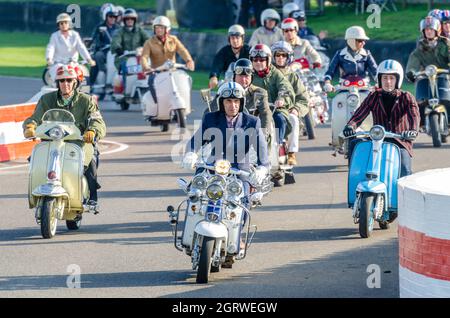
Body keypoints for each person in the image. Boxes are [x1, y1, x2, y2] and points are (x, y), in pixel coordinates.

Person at [182, 82, 270, 264]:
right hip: (213, 165)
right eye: (229, 101)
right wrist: (191, 153)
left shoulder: (252, 122)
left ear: (242, 102)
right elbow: (195, 141)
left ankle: (236, 238)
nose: (233, 105)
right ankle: (191, 231)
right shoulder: (211, 119)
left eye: (237, 101)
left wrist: (262, 168)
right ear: (222, 102)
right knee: (195, 193)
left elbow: (263, 154)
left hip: (240, 170)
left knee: (243, 200)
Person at [23, 65, 106, 212]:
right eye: (62, 80)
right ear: (57, 83)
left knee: (90, 159)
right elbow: (35, 118)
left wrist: (92, 131)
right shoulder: (46, 99)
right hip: (52, 142)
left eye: (69, 80)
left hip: (79, 142)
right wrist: (30, 127)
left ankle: (92, 197)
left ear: (75, 82)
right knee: (35, 159)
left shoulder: (86, 100)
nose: (65, 84)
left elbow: (97, 120)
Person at [343, 59, 420, 177]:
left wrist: (412, 131)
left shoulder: (406, 97)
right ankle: (357, 185)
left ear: (397, 80)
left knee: (405, 171)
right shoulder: (373, 96)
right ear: (379, 79)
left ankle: (405, 194)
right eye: (384, 78)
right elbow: (360, 112)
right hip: (377, 140)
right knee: (356, 146)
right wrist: (351, 125)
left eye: (391, 78)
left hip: (400, 140)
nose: (388, 81)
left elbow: (414, 115)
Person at [405, 16, 450, 126]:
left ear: (437, 30)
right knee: (420, 101)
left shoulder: (446, 44)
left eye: (431, 29)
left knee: (447, 99)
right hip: (426, 77)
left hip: (444, 75)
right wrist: (411, 72)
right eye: (426, 30)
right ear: (423, 32)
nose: (429, 32)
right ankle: (420, 122)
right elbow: (413, 61)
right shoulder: (419, 48)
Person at [207, 58, 272, 132]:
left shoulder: (259, 92)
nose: (244, 79)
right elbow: (211, 110)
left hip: (251, 132)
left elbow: (265, 114)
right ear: (234, 76)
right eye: (240, 76)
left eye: (247, 76)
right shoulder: (225, 90)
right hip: (227, 130)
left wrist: (263, 133)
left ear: (251, 77)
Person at [271, 41, 309, 165]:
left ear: (289, 57)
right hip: (266, 110)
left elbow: (303, 98)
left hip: (286, 111)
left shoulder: (293, 76)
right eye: (277, 55)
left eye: (284, 55)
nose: (280, 58)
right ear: (272, 56)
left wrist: (296, 109)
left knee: (293, 119)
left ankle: (291, 153)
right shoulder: (266, 74)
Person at [249, 44, 295, 148]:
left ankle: (278, 146)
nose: (258, 63)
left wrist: (281, 99)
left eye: (261, 60)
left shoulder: (275, 73)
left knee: (280, 119)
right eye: (255, 60)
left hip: (274, 108)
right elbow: (239, 85)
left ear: (268, 60)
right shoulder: (248, 74)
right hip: (252, 109)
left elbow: (285, 86)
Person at [140, 15, 194, 105]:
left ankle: (184, 105)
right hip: (156, 73)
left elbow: (182, 50)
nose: (159, 30)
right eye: (156, 27)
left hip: (172, 72)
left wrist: (189, 60)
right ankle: (156, 106)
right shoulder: (149, 42)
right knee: (151, 83)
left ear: (167, 29)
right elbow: (144, 57)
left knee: (187, 80)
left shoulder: (173, 40)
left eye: (161, 27)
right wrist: (146, 67)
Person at [324, 26, 377, 92]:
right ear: (351, 41)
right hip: (345, 87)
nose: (364, 43)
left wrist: (379, 83)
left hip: (363, 87)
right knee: (338, 101)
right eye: (360, 40)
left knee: (369, 101)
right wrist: (327, 83)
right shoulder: (339, 54)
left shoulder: (367, 54)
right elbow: (330, 71)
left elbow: (376, 71)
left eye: (364, 40)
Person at [46, 13, 96, 83]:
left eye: (65, 22)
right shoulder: (55, 36)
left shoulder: (75, 35)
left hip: (73, 63)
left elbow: (81, 48)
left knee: (82, 76)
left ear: (69, 24)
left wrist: (89, 59)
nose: (63, 25)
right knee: (60, 77)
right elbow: (50, 48)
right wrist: (49, 59)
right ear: (58, 25)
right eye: (61, 23)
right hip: (59, 63)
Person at [111, 8, 149, 89]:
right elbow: (115, 41)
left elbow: (148, 40)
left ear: (135, 20)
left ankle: (150, 87)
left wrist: (149, 46)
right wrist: (118, 49)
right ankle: (126, 90)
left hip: (139, 57)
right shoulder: (120, 31)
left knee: (149, 67)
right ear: (124, 20)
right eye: (127, 19)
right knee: (126, 68)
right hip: (123, 57)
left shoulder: (140, 30)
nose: (129, 20)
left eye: (132, 18)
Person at [208, 24, 250, 89]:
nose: (235, 40)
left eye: (237, 38)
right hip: (229, 85)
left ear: (242, 38)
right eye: (232, 38)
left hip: (246, 84)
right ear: (229, 39)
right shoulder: (223, 52)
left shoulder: (249, 51)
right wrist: (214, 77)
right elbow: (216, 66)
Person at [90, 4, 119, 85]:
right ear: (105, 16)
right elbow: (95, 38)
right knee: (98, 56)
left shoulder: (118, 28)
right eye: (111, 16)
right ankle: (98, 77)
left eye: (115, 17)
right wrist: (100, 44)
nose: (113, 18)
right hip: (104, 51)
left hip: (115, 52)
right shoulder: (99, 27)